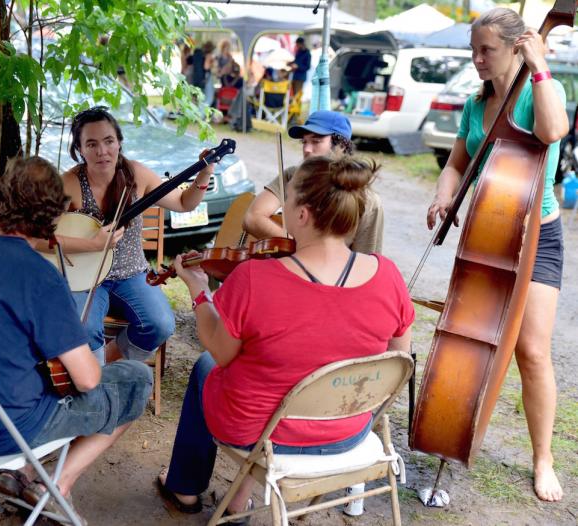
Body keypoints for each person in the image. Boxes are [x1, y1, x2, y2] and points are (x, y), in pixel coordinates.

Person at [156, 154, 414, 518]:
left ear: (303, 215)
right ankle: (235, 498)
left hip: (264, 437)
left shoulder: (254, 278)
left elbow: (222, 351)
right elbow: (397, 361)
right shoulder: (389, 276)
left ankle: (184, 488)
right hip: (348, 431)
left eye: (288, 200)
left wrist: (199, 292)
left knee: (206, 366)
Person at [0, 156, 152, 519]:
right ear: (54, 218)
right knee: (138, 379)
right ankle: (56, 485)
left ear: (2, 199)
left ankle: (24, 471)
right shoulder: (38, 276)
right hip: (3, 428)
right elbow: (88, 379)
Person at [426, 8, 567, 503]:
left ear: (515, 46)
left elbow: (552, 132)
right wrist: (444, 195)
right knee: (471, 338)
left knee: (531, 351)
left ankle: (543, 458)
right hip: (487, 237)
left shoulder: (537, 92)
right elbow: (455, 164)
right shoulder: (473, 103)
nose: (477, 58)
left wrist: (541, 64)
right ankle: (453, 424)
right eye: (473, 50)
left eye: (486, 49)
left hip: (537, 237)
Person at [59, 106, 215, 364]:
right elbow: (40, 238)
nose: (102, 151)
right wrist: (91, 243)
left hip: (132, 274)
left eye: (109, 141)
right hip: (87, 278)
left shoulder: (136, 174)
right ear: (80, 149)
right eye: (91, 144)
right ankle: (94, 383)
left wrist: (204, 173)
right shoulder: (70, 183)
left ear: (119, 142)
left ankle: (109, 363)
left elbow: (184, 203)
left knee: (160, 324)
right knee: (83, 329)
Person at [242, 110, 384, 254]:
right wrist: (299, 247)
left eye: (316, 141)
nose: (307, 149)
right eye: (304, 142)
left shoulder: (369, 200)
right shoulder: (292, 175)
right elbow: (252, 217)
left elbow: (365, 260)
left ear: (341, 145)